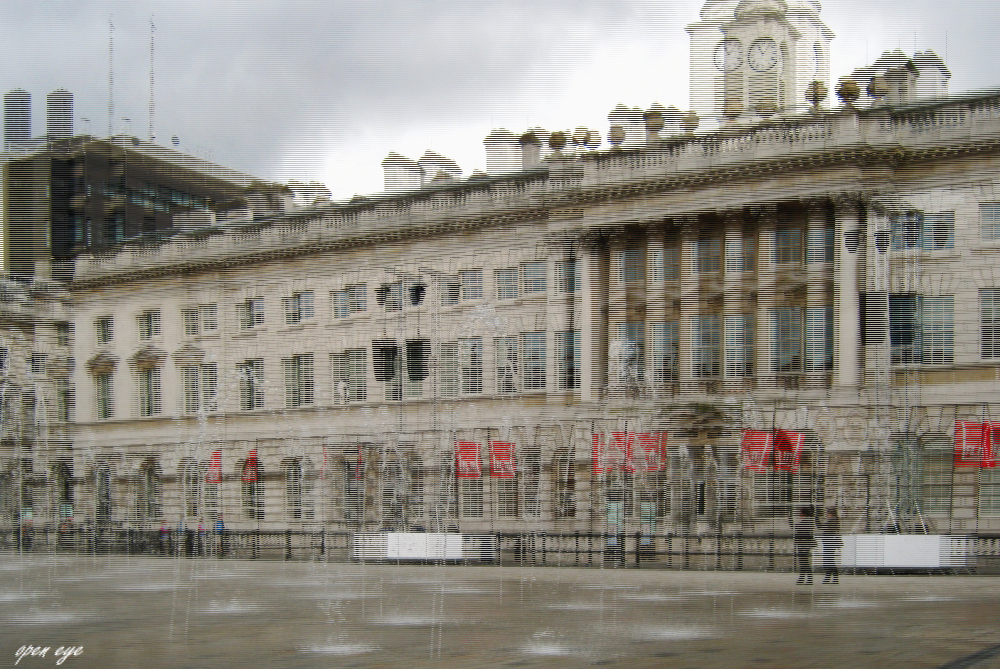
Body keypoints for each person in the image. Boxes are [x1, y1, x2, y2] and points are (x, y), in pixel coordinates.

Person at [794, 505, 816, 584]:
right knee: (804, 561)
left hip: (804, 544)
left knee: (804, 561)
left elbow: (799, 530)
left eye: (800, 514)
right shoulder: (809, 521)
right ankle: (803, 577)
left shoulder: (806, 522)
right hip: (803, 544)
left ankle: (807, 578)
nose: (800, 516)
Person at [821, 507, 843, 584]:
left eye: (827, 513)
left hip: (829, 542)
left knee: (829, 560)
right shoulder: (834, 521)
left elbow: (822, 527)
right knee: (829, 560)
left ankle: (831, 577)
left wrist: (817, 518)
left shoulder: (832, 521)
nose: (826, 515)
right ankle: (830, 577)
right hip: (830, 542)